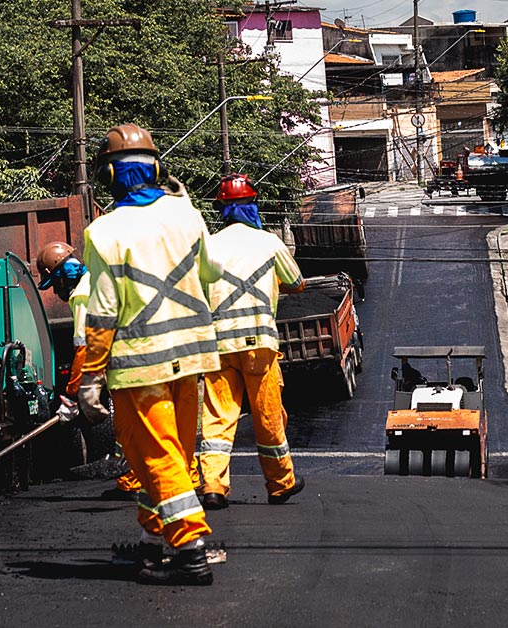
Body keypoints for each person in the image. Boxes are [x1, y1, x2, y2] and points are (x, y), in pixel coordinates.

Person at [78, 123, 221, 586]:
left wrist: (90, 378)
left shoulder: (104, 231)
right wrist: (184, 207)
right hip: (193, 355)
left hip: (142, 364)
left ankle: (190, 549)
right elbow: (211, 271)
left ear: (109, 178)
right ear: (157, 168)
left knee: (155, 458)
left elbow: (101, 314)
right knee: (170, 456)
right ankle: (154, 540)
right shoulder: (188, 215)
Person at [198, 173, 305, 511]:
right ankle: (280, 483)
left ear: (223, 210)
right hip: (259, 343)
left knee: (217, 418)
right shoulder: (269, 242)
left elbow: (198, 293)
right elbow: (297, 282)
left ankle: (213, 487)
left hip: (218, 346)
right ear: (252, 206)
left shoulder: (209, 246)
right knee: (267, 414)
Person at [35, 241, 142, 499]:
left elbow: (84, 349)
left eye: (56, 284)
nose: (57, 291)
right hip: (134, 357)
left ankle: (133, 482)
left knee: (130, 426)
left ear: (61, 277)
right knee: (144, 424)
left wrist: (71, 396)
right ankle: (137, 480)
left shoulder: (82, 295)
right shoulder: (96, 278)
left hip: (123, 365)